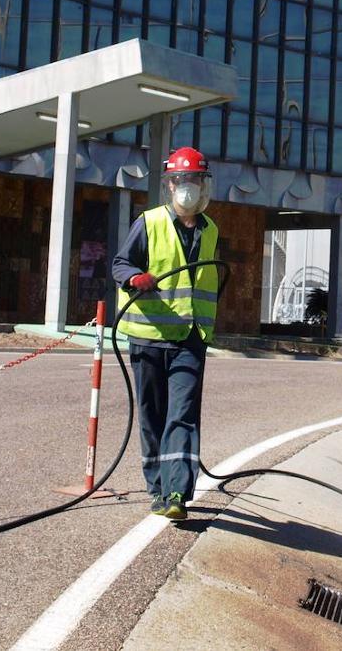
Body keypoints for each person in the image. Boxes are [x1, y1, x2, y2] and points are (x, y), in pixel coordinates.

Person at [111, 147, 220, 522]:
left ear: (203, 184)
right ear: (170, 185)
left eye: (193, 180)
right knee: (153, 416)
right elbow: (120, 263)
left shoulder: (211, 230)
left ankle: (177, 491)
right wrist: (133, 278)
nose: (186, 187)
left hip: (191, 338)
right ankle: (157, 488)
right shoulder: (149, 222)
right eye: (179, 180)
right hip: (148, 337)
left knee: (183, 415)